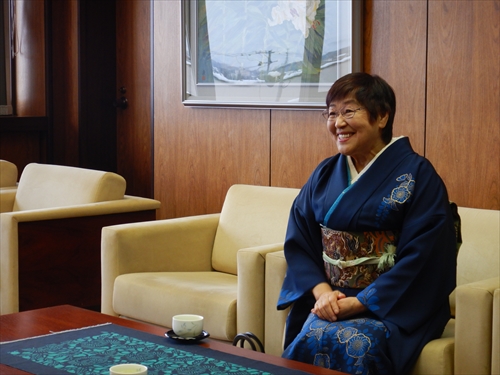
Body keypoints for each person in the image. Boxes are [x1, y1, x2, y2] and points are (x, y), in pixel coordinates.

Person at [277, 72, 459, 375]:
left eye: (349, 111)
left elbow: (425, 257)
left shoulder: (418, 175)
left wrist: (362, 302)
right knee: (312, 334)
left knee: (357, 342)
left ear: (382, 116)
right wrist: (323, 295)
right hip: (331, 301)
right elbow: (300, 242)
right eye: (332, 113)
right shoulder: (324, 174)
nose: (338, 123)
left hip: (393, 305)